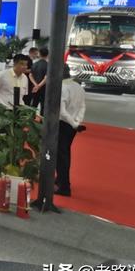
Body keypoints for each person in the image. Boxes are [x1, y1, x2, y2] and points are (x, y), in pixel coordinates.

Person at [56, 64, 86, 197]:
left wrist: (74, 123)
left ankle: (64, 186)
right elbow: (83, 106)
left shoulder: (63, 87)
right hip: (72, 125)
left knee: (61, 155)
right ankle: (61, 179)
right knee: (65, 153)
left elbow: (62, 111)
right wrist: (77, 122)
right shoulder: (78, 86)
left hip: (63, 124)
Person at [30, 47, 49, 114]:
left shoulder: (35, 64)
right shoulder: (48, 65)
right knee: (43, 106)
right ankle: (42, 119)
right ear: (47, 55)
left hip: (34, 88)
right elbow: (46, 78)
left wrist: (36, 85)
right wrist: (39, 86)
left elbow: (30, 75)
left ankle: (31, 118)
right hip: (44, 89)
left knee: (34, 104)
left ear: (39, 54)